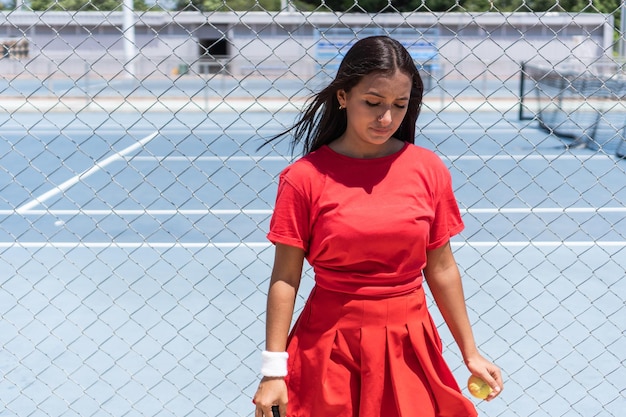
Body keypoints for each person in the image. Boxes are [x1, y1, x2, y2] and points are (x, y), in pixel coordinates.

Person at [253, 35, 503, 417]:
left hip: (410, 343)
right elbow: (285, 277)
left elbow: (441, 267)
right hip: (329, 345)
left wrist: (470, 352)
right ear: (343, 96)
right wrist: (273, 371)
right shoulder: (303, 178)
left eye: (399, 105)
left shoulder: (428, 169)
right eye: (372, 103)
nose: (386, 118)